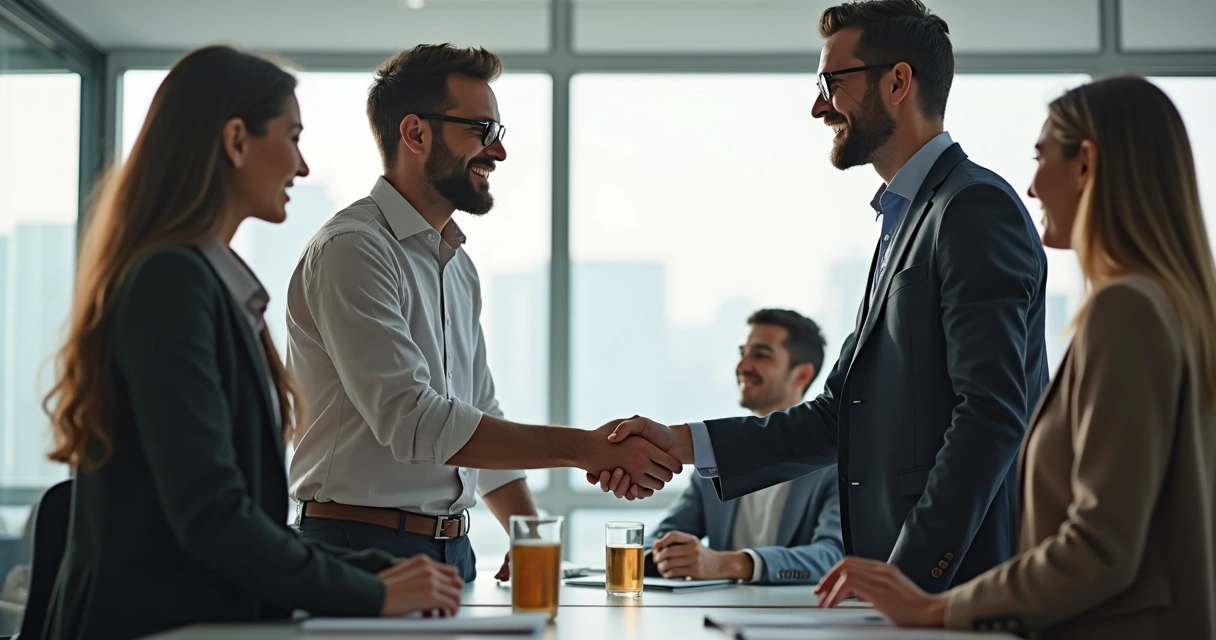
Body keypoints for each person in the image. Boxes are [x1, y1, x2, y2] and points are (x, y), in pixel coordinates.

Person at [594, 0, 1049, 594]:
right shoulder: (906, 220)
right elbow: (839, 416)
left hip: (952, 584)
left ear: (898, 82)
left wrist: (908, 573)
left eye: (831, 83)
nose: (817, 106)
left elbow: (992, 413)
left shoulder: (971, 209)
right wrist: (680, 442)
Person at [37, 46, 464, 640]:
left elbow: (236, 519)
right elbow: (213, 517)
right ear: (236, 141)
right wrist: (372, 588)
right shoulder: (173, 282)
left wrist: (381, 570)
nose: (303, 166)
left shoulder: (206, 283)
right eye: (291, 137)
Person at [815, 76, 1216, 639]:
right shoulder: (1170, 307)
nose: (1029, 187)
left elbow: (1100, 546)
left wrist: (935, 607)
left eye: (1041, 157)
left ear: (1086, 165)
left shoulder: (1126, 310)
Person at [285, 43, 681, 583]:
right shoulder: (354, 248)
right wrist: (586, 449)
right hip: (358, 548)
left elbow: (476, 409)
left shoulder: (457, 263)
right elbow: (416, 421)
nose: (498, 152)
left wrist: (528, 533)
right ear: (416, 134)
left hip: (454, 551)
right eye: (481, 130)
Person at [644, 310, 844, 584]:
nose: (742, 365)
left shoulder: (835, 464)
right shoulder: (717, 457)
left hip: (799, 617)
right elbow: (659, 539)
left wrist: (731, 564)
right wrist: (664, 556)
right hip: (716, 617)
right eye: (742, 352)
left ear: (802, 375)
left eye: (760, 355)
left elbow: (833, 557)